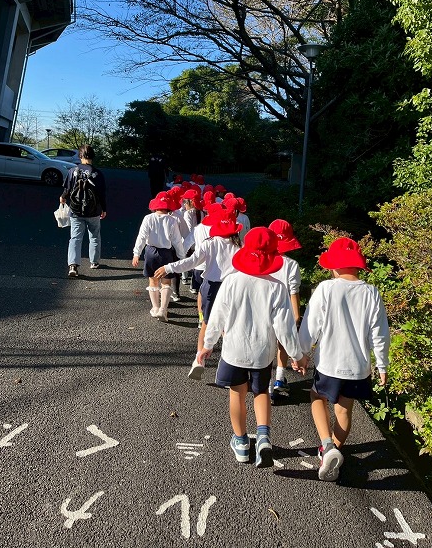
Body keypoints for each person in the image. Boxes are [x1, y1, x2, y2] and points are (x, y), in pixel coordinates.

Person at [197, 227, 309, 467]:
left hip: (234, 351)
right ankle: (263, 437)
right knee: (261, 393)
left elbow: (216, 317)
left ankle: (240, 442)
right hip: (262, 353)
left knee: (236, 394)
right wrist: (296, 355)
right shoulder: (277, 288)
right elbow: (285, 328)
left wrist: (207, 345)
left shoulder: (231, 281)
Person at [298, 237, 390, 482]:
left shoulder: (326, 288)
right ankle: (334, 450)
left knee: (317, 397)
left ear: (334, 266)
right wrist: (382, 364)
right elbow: (380, 333)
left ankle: (327, 446)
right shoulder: (371, 292)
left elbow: (311, 325)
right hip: (358, 366)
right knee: (344, 409)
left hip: (330, 362)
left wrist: (302, 353)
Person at [154, 207, 242, 379]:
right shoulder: (240, 246)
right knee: (229, 325)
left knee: (207, 323)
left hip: (211, 287)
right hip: (232, 288)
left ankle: (198, 360)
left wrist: (169, 267)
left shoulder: (210, 243)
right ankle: (231, 362)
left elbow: (191, 262)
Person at [132, 191, 185, 322]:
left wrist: (136, 253)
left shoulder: (148, 218)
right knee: (166, 282)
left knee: (153, 280)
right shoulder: (172, 220)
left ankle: (155, 307)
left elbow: (142, 237)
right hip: (166, 253)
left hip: (151, 252)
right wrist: (181, 256)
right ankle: (163, 309)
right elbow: (177, 240)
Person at [60, 144, 107, 278]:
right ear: (93, 156)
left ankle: (73, 265)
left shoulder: (73, 171)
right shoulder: (97, 174)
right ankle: (94, 262)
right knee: (94, 236)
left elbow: (67, 189)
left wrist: (63, 198)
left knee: (75, 238)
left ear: (80, 156)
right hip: (94, 210)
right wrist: (104, 209)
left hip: (76, 210)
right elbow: (102, 194)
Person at [268, 219, 302, 400]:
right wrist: (296, 316)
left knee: (266, 346)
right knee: (283, 344)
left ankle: (267, 386)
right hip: (284, 310)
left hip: (264, 308)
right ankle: (279, 378)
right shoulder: (291, 264)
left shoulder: (263, 259)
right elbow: (293, 292)